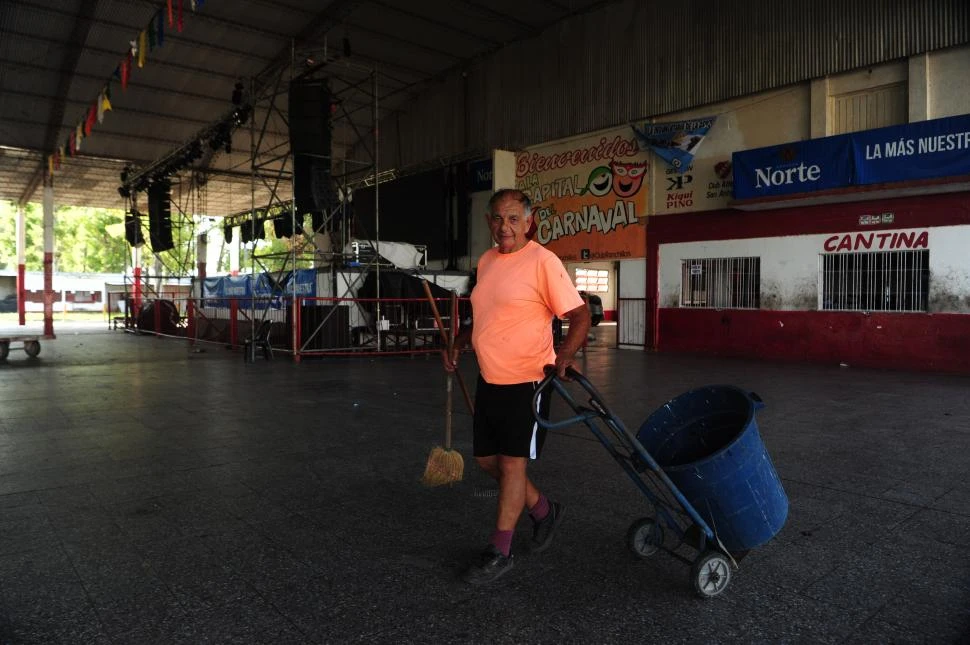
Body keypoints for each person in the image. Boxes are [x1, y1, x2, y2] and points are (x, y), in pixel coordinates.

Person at [444, 188, 591, 585]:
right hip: (490, 379)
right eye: (496, 218)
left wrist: (563, 355)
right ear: (488, 222)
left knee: (512, 465)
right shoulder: (488, 261)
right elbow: (485, 315)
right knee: (486, 462)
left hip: (527, 382)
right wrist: (459, 342)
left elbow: (580, 314)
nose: (504, 227)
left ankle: (499, 549)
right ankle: (544, 510)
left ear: (528, 222)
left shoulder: (543, 262)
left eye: (513, 219)